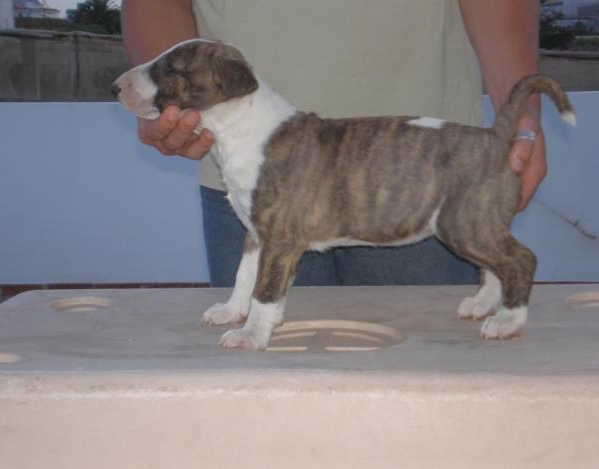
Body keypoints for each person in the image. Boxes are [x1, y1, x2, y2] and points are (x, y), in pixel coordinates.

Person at [121, 0, 545, 287]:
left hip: (419, 172)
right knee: (263, 394)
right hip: (245, 171)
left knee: (422, 387)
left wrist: (521, 113)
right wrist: (165, 90)